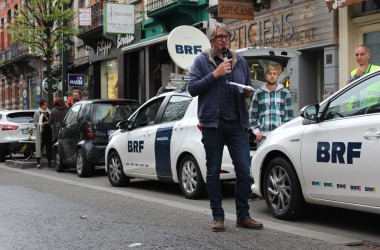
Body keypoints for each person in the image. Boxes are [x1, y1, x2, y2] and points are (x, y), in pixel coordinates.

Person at [188, 22, 263, 232]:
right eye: (219, 37)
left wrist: (248, 92)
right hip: (213, 124)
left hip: (237, 123)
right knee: (213, 172)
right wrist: (215, 74)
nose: (224, 40)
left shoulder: (239, 61)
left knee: (244, 170)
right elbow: (192, 89)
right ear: (212, 40)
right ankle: (218, 217)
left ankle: (243, 216)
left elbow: (247, 85)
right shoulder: (202, 61)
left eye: (226, 37)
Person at [249, 64, 294, 144]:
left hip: (280, 135)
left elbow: (289, 116)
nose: (272, 76)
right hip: (263, 136)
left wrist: (286, 132)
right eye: (269, 74)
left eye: (274, 74)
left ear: (277, 76)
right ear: (265, 76)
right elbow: (252, 115)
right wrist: (256, 131)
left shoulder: (285, 93)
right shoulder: (258, 93)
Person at [33, 99, 53, 169]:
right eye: (44, 105)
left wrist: (49, 123)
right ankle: (38, 162)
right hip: (41, 132)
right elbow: (35, 123)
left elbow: (51, 120)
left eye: (46, 105)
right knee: (39, 147)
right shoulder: (37, 113)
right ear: (40, 105)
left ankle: (49, 162)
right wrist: (42, 124)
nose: (45, 106)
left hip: (49, 132)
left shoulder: (49, 112)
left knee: (49, 147)